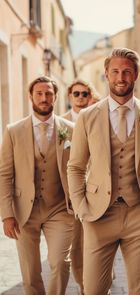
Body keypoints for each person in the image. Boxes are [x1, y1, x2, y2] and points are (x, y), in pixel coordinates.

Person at [67, 47, 140, 294]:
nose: (121, 77)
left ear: (136, 75)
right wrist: (82, 209)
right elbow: (75, 167)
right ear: (106, 74)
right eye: (115, 71)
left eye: (127, 71)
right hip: (97, 216)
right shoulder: (87, 117)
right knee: (93, 289)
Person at [0, 76, 74, 295]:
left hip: (59, 208)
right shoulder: (14, 131)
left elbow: (82, 167)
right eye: (39, 94)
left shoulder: (71, 129)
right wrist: (7, 215)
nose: (44, 98)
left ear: (55, 97)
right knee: (30, 272)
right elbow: (4, 174)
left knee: (60, 262)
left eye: (49, 94)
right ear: (30, 96)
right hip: (24, 211)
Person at [62, 79, 101, 295]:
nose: (80, 98)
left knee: (100, 241)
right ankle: (84, 287)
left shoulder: (99, 118)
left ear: (90, 96)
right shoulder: (61, 123)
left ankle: (100, 277)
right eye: (76, 94)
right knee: (76, 246)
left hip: (99, 191)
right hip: (72, 193)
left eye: (84, 94)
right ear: (70, 97)